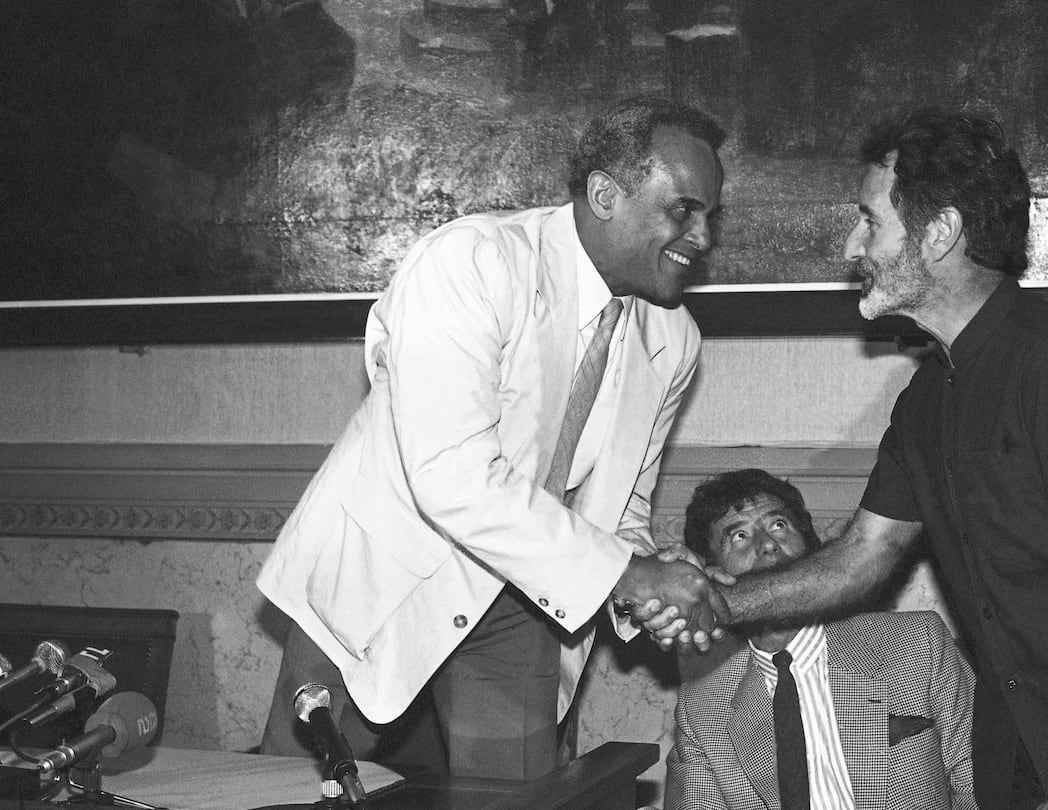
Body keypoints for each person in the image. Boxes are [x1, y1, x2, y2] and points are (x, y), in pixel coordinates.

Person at [645, 109, 1048, 810]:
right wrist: (714, 600)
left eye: (870, 221)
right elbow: (859, 560)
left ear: (940, 234)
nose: (852, 244)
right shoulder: (927, 399)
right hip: (1027, 746)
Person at [256, 97, 731, 779]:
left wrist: (647, 592)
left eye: (712, 215)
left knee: (519, 801)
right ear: (605, 193)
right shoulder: (471, 262)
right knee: (302, 794)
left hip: (526, 603)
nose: (703, 237)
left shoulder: (673, 338)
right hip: (383, 582)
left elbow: (619, 510)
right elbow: (452, 476)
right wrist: (631, 574)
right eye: (683, 209)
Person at [665, 469, 978, 810]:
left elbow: (981, 783)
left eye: (779, 525)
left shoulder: (918, 644)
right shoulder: (702, 710)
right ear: (711, 577)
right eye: (739, 536)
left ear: (812, 548)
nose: (767, 544)